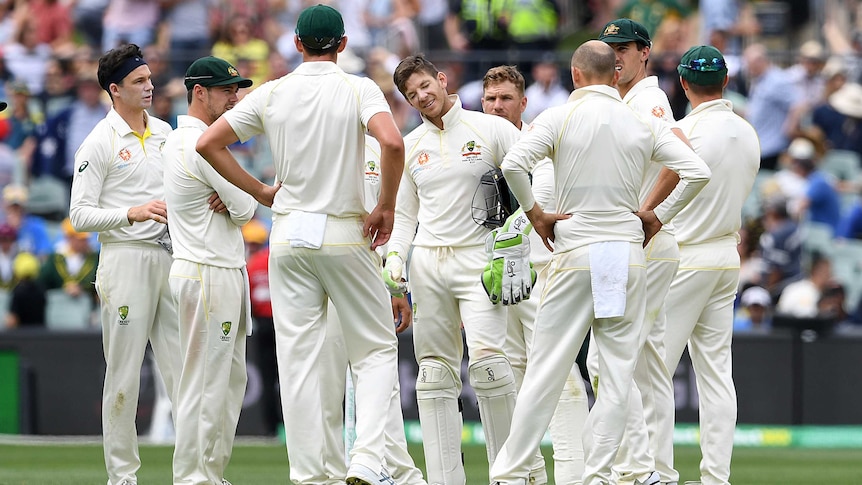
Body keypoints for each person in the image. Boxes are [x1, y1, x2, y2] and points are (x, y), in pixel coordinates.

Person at [195, 5, 407, 485]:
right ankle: (368, 460)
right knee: (374, 350)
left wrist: (260, 191)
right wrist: (387, 207)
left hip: (288, 236)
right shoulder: (358, 87)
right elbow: (392, 144)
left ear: (296, 45)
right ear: (344, 44)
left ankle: (310, 476)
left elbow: (208, 142)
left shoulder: (273, 92)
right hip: (344, 230)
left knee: (297, 361)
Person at [488, 40, 710, 485]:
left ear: (574, 75)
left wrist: (536, 216)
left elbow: (514, 164)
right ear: (614, 74)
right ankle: (599, 476)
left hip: (575, 250)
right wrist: (656, 216)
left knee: (546, 368)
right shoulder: (641, 120)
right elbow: (698, 171)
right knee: (616, 374)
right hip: (626, 255)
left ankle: (510, 474)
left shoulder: (559, 115)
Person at [388, 54, 521, 484]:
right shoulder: (410, 147)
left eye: (426, 85)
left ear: (442, 80)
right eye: (412, 95)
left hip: (479, 260)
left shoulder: (492, 129)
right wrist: (395, 259)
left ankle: (509, 474)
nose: (422, 97)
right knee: (432, 375)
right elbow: (405, 216)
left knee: (489, 367)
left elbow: (533, 186)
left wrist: (514, 243)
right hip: (428, 263)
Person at [69, 43, 181, 485]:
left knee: (184, 374)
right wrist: (129, 213)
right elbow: (79, 215)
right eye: (139, 81)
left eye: (150, 78)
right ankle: (122, 478)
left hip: (170, 258)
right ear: (115, 90)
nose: (149, 86)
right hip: (124, 260)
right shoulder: (98, 142)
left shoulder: (167, 134)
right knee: (123, 376)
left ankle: (194, 473)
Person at [480, 64, 586, 485]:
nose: (497, 106)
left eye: (506, 99)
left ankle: (574, 473)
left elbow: (539, 199)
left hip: (540, 275)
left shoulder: (535, 143)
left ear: (523, 103)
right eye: (490, 99)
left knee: (559, 376)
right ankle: (526, 474)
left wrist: (510, 244)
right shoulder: (474, 146)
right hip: (491, 285)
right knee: (510, 379)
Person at [660, 44, 761, 485]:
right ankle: (715, 478)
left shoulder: (685, 132)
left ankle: (657, 472)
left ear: (683, 83)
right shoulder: (749, 132)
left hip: (685, 256)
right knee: (717, 377)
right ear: (724, 81)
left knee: (654, 369)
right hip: (726, 256)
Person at [163, 56, 257, 485]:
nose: (235, 97)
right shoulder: (194, 143)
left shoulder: (203, 141)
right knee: (204, 382)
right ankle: (192, 478)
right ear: (199, 92)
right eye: (226, 90)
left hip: (219, 269)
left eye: (236, 89)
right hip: (206, 271)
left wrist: (236, 198)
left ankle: (210, 474)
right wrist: (236, 197)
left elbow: (241, 206)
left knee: (228, 382)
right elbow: (246, 206)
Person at [597, 18, 682, 485]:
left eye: (624, 48)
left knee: (607, 358)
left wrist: (648, 211)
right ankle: (659, 471)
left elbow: (681, 155)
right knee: (648, 368)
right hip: (649, 243)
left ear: (645, 52)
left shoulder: (647, 99)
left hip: (644, 241)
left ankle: (635, 468)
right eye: (610, 50)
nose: (616, 57)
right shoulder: (626, 98)